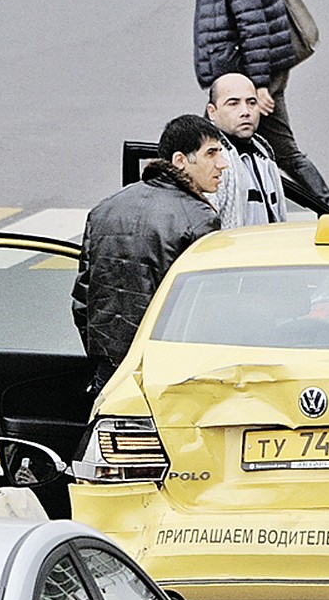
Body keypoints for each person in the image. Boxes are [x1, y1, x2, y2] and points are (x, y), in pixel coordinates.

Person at [72, 114, 226, 394]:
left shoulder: (106, 209)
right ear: (180, 160)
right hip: (169, 370)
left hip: (111, 370)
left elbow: (83, 300)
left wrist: (106, 354)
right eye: (211, 153)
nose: (222, 164)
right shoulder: (199, 218)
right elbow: (208, 309)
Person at [193, 0, 329, 211]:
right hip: (255, 75)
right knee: (285, 153)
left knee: (204, 144)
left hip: (244, 79)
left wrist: (258, 86)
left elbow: (254, 27)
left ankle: (196, 213)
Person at [206, 72, 288, 228]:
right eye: (233, 103)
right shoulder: (210, 161)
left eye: (251, 102)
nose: (245, 111)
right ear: (212, 112)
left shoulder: (264, 155)